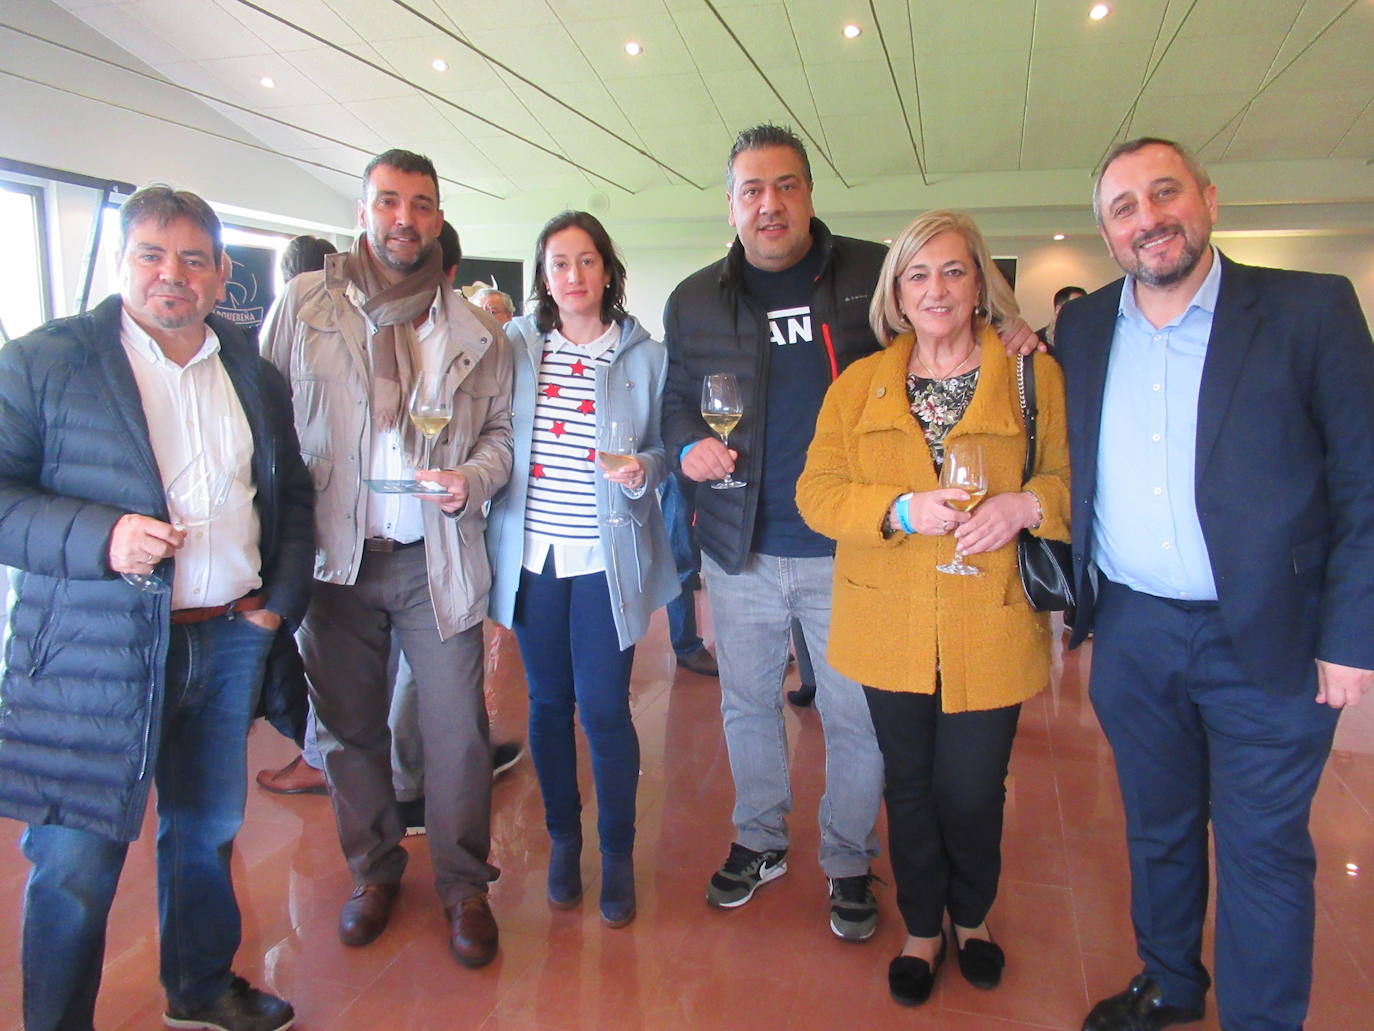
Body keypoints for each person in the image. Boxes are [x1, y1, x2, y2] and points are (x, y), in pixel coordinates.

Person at [661, 123, 1036, 941]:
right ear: (730, 204)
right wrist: (684, 442)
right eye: (752, 189)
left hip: (860, 546)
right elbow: (677, 401)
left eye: (787, 185)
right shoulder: (693, 299)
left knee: (855, 717)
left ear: (810, 193)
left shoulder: (873, 272)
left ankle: (846, 857)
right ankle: (759, 837)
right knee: (746, 705)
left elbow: (949, 328)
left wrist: (1012, 333)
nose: (770, 204)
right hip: (740, 543)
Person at [1054, 137, 1374, 1031]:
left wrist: (1352, 635)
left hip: (1271, 637)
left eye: (1165, 194)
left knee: (1263, 848)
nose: (1147, 218)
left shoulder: (1310, 309)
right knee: (1156, 827)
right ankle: (1170, 983)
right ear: (1107, 233)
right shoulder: (1082, 328)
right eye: (1123, 207)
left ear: (1208, 199)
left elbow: (1364, 478)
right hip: (1135, 632)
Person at [0, 185, 314, 1031]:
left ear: (220, 276)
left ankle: (200, 986)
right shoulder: (46, 361)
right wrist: (103, 537)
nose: (171, 274)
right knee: (74, 858)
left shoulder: (250, 369)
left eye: (192, 259)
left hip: (226, 638)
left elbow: (289, 492)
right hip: (91, 651)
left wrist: (275, 606)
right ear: (122, 263)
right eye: (151, 254)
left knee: (205, 832)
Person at [797, 209, 1070, 1006]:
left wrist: (1022, 506)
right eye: (918, 274)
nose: (937, 288)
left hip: (991, 615)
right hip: (890, 618)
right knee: (908, 783)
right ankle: (923, 923)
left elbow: (1066, 476)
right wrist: (899, 510)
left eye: (953, 270)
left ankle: (973, 916)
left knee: (975, 787)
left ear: (981, 281)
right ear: (897, 294)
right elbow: (817, 493)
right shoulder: (857, 386)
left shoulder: (1029, 374)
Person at [260, 148, 514, 969]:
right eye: (388, 202)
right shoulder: (304, 305)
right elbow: (264, 420)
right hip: (334, 563)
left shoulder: (475, 328)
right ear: (365, 211)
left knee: (459, 735)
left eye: (421, 204)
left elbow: (502, 437)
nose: (405, 218)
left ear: (439, 218)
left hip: (429, 558)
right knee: (347, 732)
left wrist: (469, 479)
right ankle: (373, 871)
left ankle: (464, 885)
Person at [486, 211, 677, 927]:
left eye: (587, 260)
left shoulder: (645, 356)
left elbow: (662, 447)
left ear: (607, 270)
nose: (574, 276)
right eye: (559, 263)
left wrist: (641, 471)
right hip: (534, 558)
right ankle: (563, 840)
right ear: (543, 275)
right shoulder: (514, 346)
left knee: (603, 708)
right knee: (544, 704)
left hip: (606, 562)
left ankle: (617, 851)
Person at [660, 472, 719, 676]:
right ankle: (686, 647)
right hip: (675, 458)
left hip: (711, 454)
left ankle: (741, 637)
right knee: (680, 558)